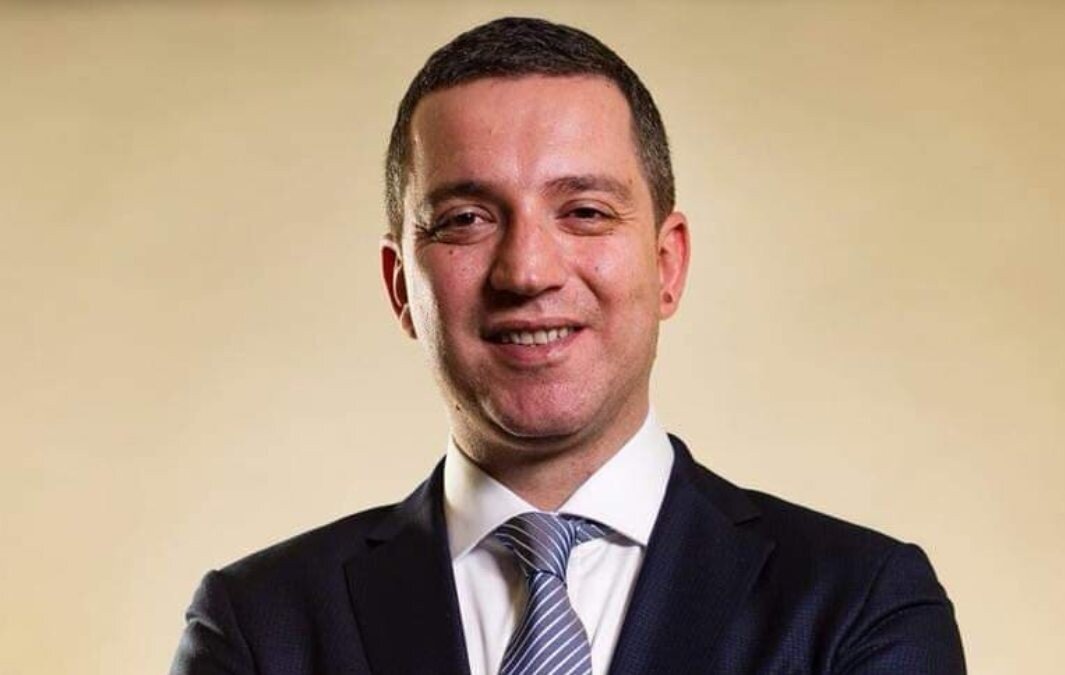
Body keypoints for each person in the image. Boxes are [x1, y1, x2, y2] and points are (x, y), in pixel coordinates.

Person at [171, 17, 966, 675]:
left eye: (584, 211)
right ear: (400, 285)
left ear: (667, 264)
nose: (527, 271)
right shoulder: (257, 629)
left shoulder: (860, 607)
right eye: (465, 220)